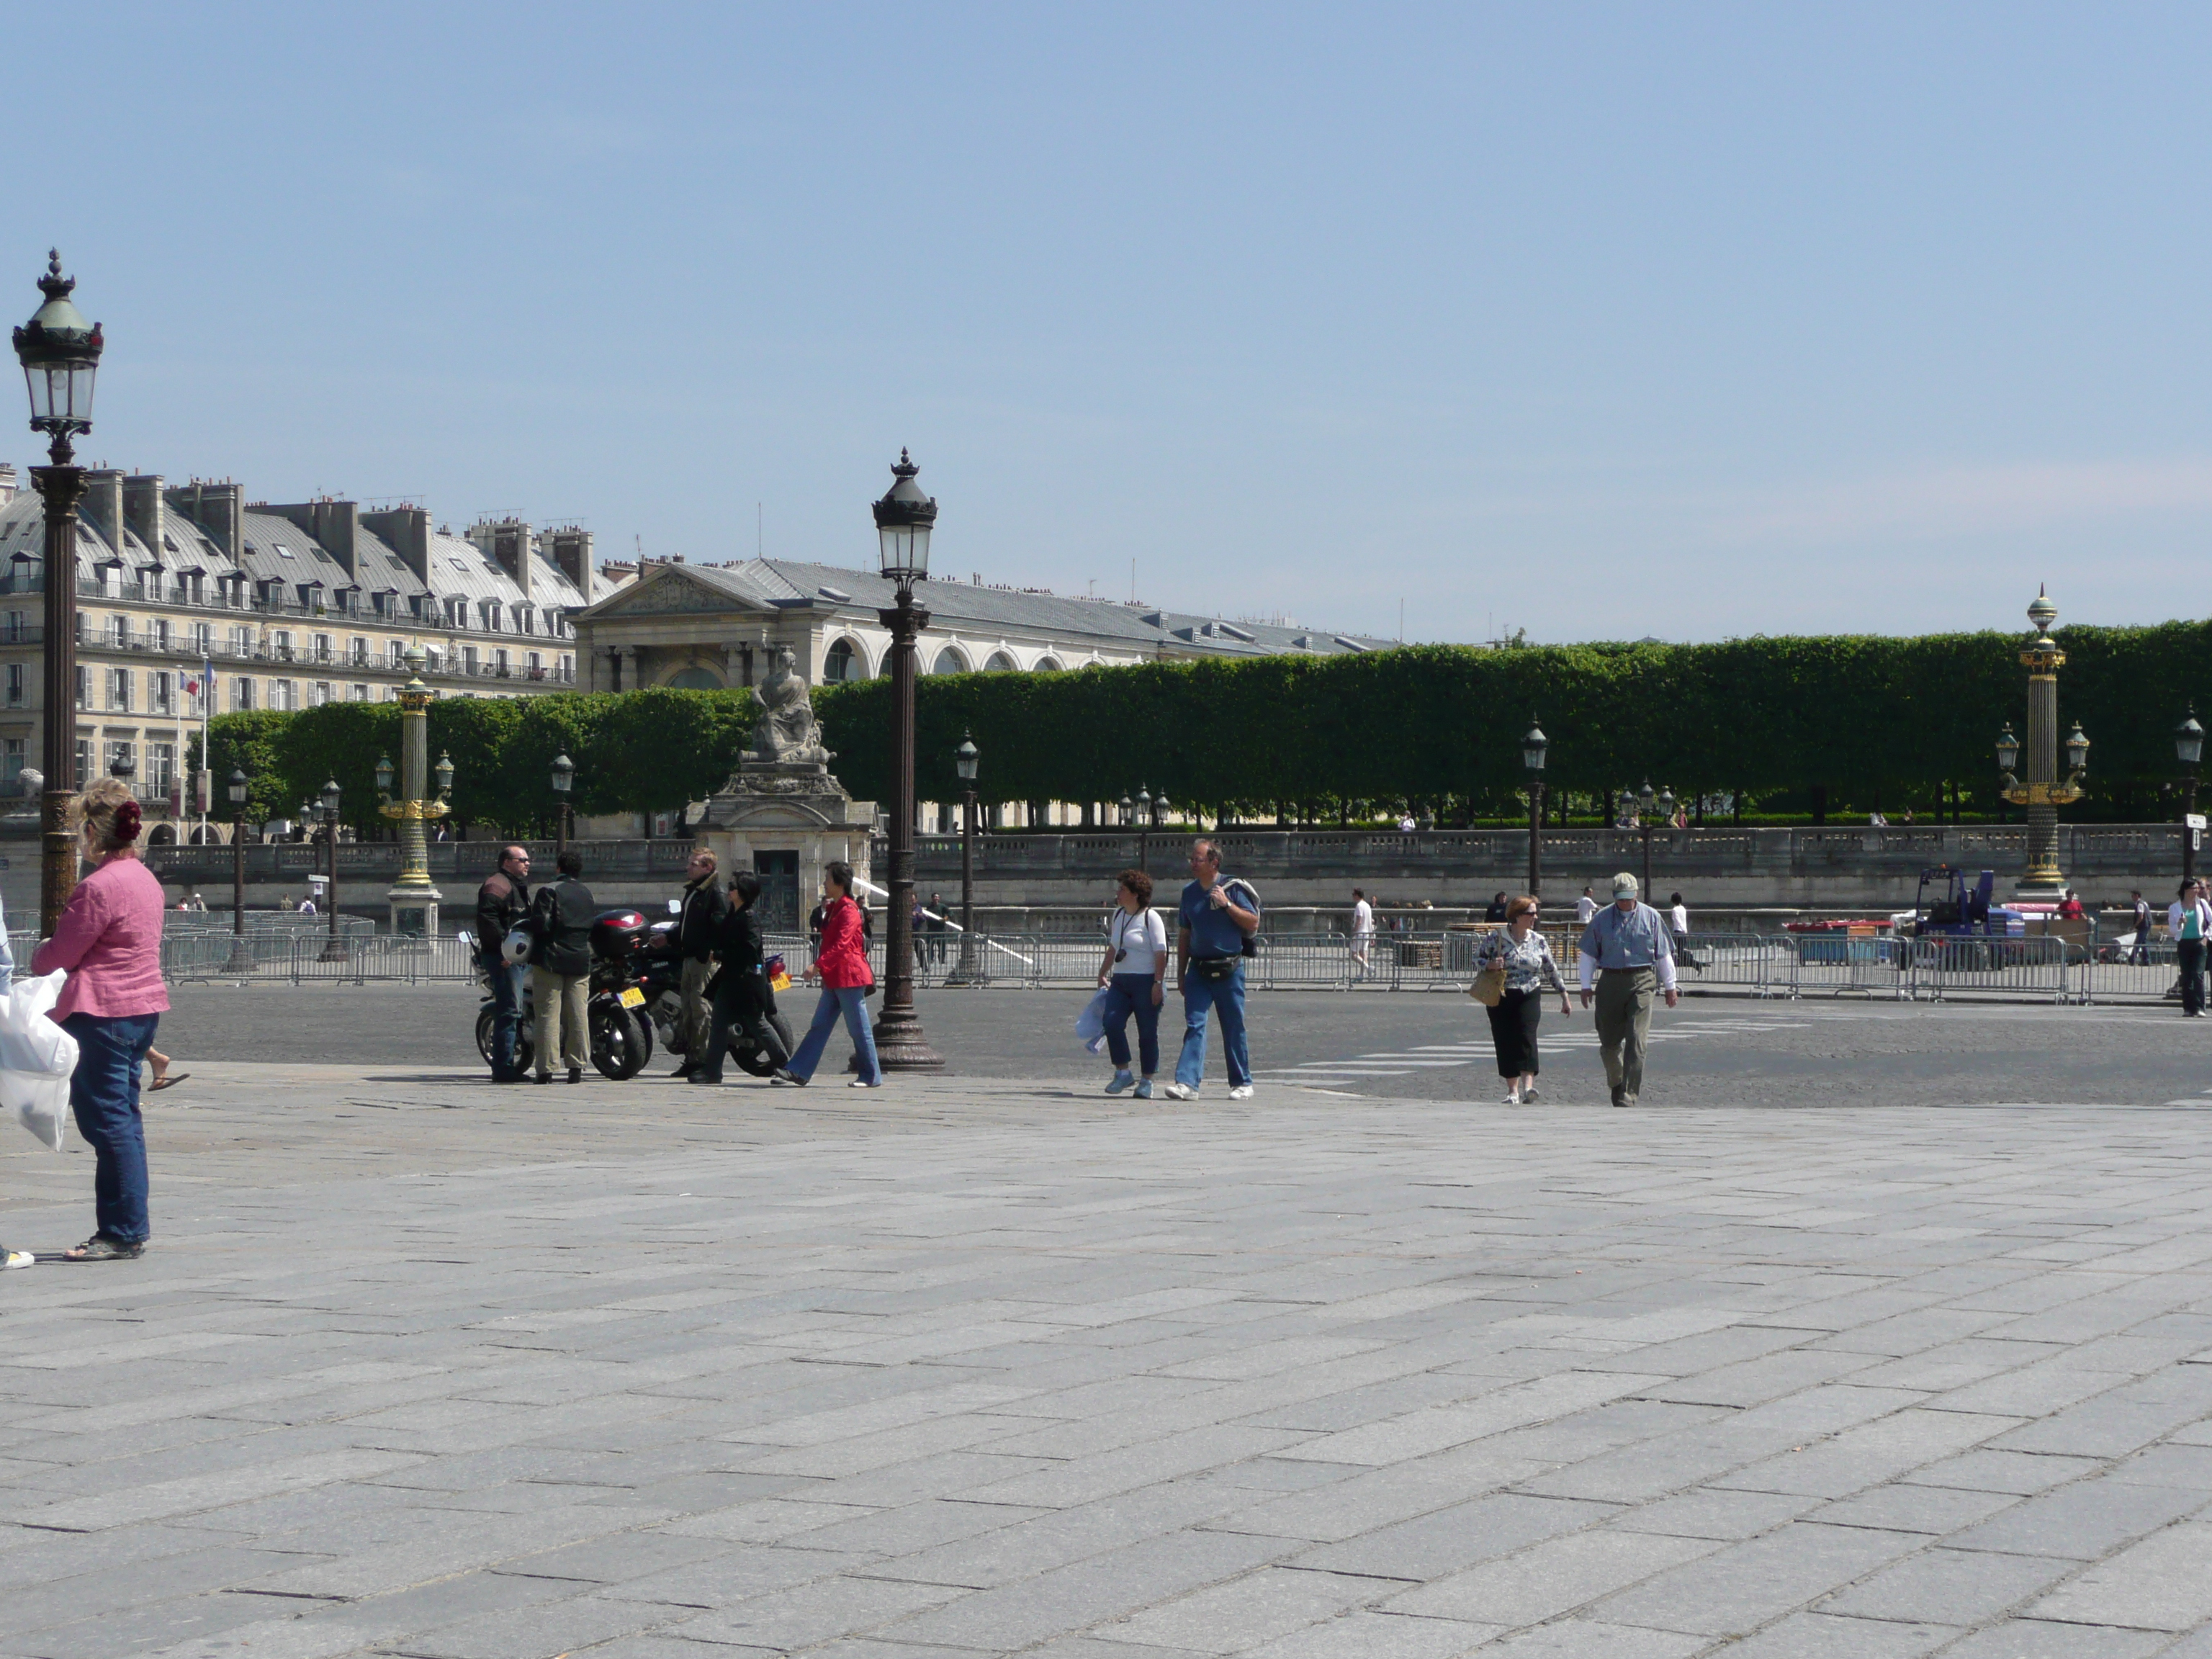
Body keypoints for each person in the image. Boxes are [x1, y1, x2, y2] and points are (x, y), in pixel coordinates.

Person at [32, 779, 166, 1261]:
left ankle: (120, 1232)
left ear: (92, 831)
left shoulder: (98, 887)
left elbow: (59, 954)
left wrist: (37, 956)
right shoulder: (145, 880)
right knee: (125, 1122)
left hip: (101, 1012)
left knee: (107, 1126)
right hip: (142, 1009)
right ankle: (128, 1226)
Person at [1164, 839, 1261, 1101]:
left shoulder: (1233, 887)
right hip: (1198, 969)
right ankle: (1187, 1083)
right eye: (1192, 860)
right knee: (1195, 1023)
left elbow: (1253, 921)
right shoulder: (1189, 893)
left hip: (1229, 967)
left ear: (1214, 862)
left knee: (1233, 1025)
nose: (1193, 864)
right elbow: (1185, 934)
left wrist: (1227, 904)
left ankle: (1242, 1082)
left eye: (1198, 860)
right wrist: (1181, 973)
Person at [1576, 871, 1678, 1107]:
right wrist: (1585, 986)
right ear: (1614, 896)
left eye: (1628, 898)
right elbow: (1588, 955)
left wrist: (1670, 987)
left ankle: (1630, 1093)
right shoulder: (1601, 919)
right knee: (1609, 1043)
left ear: (1636, 895)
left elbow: (1663, 955)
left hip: (1642, 979)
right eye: (1620, 898)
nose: (1624, 903)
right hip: (1610, 980)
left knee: (1636, 1038)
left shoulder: (1651, 918)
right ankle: (1617, 1082)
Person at [783, 860, 882, 1087]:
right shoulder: (835, 908)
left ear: (839, 882)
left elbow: (841, 945)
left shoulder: (849, 910)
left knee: (858, 1028)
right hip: (835, 976)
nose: (824, 883)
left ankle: (871, 1075)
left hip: (849, 976)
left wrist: (817, 966)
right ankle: (799, 1070)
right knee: (820, 1025)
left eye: (828, 879)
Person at [691, 870, 793, 1085]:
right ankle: (712, 1071)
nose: (729, 890)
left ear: (743, 893)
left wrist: (720, 954)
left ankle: (785, 1064)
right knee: (717, 1024)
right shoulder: (733, 913)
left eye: (733, 887)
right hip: (730, 979)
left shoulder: (748, 918)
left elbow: (748, 950)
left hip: (746, 981)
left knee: (758, 1023)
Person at [1475, 895, 1570, 1105]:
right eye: (1531, 914)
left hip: (1529, 992)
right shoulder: (1496, 937)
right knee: (1505, 1039)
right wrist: (1490, 965)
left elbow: (1550, 969)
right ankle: (1512, 1091)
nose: (1535, 917)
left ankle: (1529, 1087)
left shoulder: (1538, 940)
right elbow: (1478, 958)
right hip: (1501, 993)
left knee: (1527, 1035)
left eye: (1536, 913)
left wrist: (1564, 994)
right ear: (1517, 916)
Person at [1096, 869, 1168, 1098]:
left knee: (1147, 1032)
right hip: (1121, 981)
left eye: (1122, 889)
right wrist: (1103, 972)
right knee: (1112, 1022)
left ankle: (1147, 1080)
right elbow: (1114, 947)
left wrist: (1158, 982)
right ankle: (1123, 1072)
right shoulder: (1119, 915)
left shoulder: (1151, 918)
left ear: (1136, 894)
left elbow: (1161, 952)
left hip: (1146, 981)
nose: (1118, 893)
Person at [528, 848, 595, 1084]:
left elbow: (541, 924)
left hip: (551, 957)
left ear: (558, 868)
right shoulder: (587, 893)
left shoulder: (549, 890)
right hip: (580, 958)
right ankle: (577, 1066)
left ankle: (546, 1069)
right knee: (578, 1014)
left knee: (548, 1014)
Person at [475, 844, 533, 1082]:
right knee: (509, 1012)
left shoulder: (515, 885)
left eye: (528, 860)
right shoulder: (497, 885)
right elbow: (488, 920)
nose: (527, 863)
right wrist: (505, 952)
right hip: (506, 958)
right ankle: (503, 1069)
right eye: (522, 860)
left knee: (514, 1010)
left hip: (517, 956)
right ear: (507, 862)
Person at [670, 848, 726, 1078]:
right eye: (690, 863)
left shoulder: (715, 892)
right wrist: (669, 938)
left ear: (708, 868)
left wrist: (708, 952)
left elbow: (719, 926)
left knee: (702, 1011)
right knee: (688, 1010)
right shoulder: (694, 891)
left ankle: (704, 1060)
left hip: (703, 961)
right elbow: (687, 926)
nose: (688, 867)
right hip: (689, 957)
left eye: (694, 864)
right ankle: (692, 1058)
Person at [2171, 878, 2211, 1017]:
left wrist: (2206, 937)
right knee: (2186, 975)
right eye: (2195, 889)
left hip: (2199, 942)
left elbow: (2211, 921)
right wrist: (2179, 924)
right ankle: (2188, 1008)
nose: (2197, 891)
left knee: (2197, 974)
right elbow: (2172, 929)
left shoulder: (2202, 904)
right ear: (2186, 890)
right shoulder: (2175, 907)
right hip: (2183, 942)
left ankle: (2199, 1007)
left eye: (2198, 889)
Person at [1667, 891, 1704, 971]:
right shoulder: (1683, 909)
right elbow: (1683, 921)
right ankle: (1695, 964)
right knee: (1680, 950)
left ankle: (1695, 964)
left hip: (1677, 931)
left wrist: (1680, 930)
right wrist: (1685, 930)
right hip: (1684, 931)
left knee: (1672, 949)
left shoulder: (1675, 910)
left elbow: (1677, 921)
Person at [1349, 888, 1375, 981]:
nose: (1352, 897)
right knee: (1363, 954)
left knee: (1354, 954)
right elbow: (1370, 922)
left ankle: (1368, 968)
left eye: (1353, 895)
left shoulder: (1359, 906)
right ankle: (1362, 975)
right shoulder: (1368, 906)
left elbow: (1359, 921)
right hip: (1367, 932)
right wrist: (1372, 935)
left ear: (1357, 895)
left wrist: (1354, 932)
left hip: (1360, 933)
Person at [2131, 889, 2153, 966]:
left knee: (2138, 942)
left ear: (2137, 896)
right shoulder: (2144, 903)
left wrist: (2134, 926)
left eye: (2133, 896)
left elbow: (2140, 917)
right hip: (2147, 925)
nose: (2132, 897)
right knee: (2143, 943)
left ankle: (2132, 960)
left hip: (2143, 925)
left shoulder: (2140, 905)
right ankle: (2146, 960)